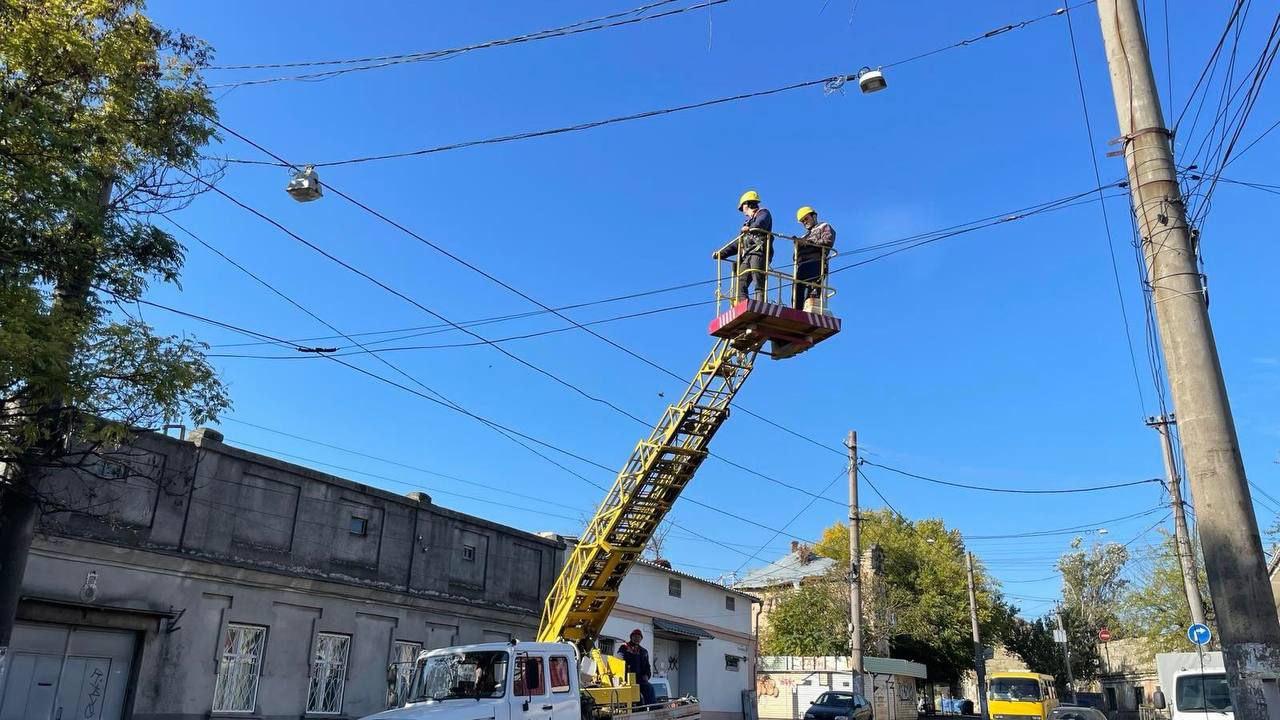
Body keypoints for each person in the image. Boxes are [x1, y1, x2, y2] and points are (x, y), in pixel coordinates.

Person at [714, 190, 774, 301]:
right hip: (747, 255)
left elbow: (761, 223)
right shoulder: (747, 223)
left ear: (748, 204)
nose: (743, 212)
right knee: (740, 282)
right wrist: (721, 254)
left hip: (759, 253)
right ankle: (743, 303)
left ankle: (760, 303)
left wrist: (750, 228)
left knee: (758, 279)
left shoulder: (763, 213)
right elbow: (738, 243)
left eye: (742, 208)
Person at [793, 206, 836, 311]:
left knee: (812, 293)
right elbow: (794, 256)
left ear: (814, 216)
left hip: (816, 263)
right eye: (802, 221)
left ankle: (810, 310)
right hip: (802, 266)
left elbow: (827, 241)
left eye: (806, 219)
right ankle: (796, 311)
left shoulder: (824, 226)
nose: (805, 222)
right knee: (797, 290)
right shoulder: (804, 236)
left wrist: (808, 243)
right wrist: (798, 245)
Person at [616, 629, 656, 706]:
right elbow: (619, 661)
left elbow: (647, 667)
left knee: (650, 688)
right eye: (635, 636)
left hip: (640, 680)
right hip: (627, 680)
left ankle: (652, 708)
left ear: (641, 639)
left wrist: (647, 675)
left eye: (639, 637)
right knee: (636, 697)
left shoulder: (644, 651)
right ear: (631, 637)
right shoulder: (624, 647)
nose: (637, 639)